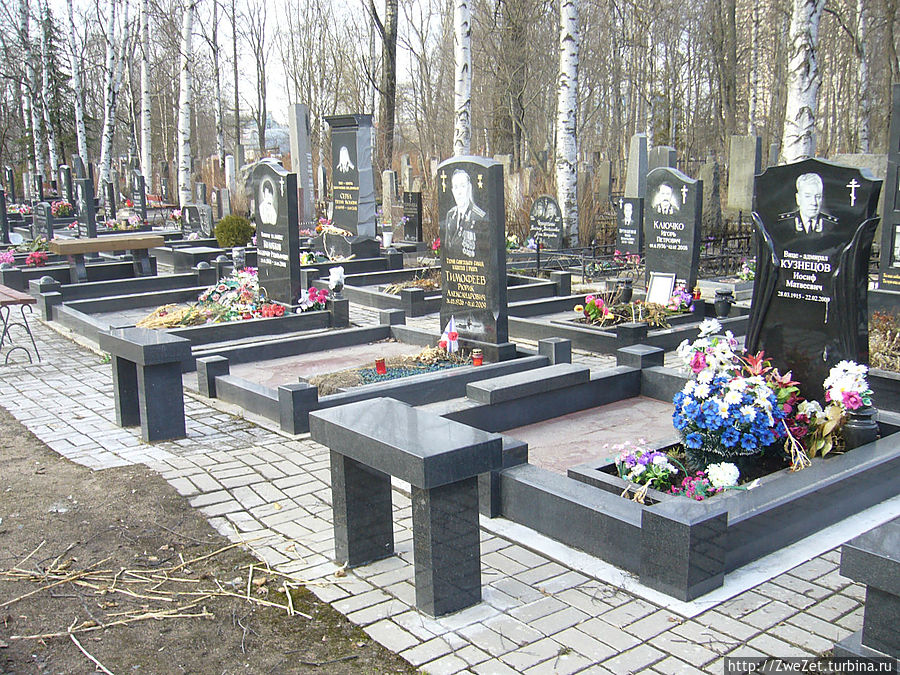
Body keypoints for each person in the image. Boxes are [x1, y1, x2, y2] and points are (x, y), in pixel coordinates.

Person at [444, 169, 486, 258]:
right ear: (452, 191)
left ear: (469, 188)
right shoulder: (450, 215)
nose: (459, 192)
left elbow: (483, 254)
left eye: (462, 186)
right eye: (456, 187)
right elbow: (447, 248)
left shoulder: (478, 216)